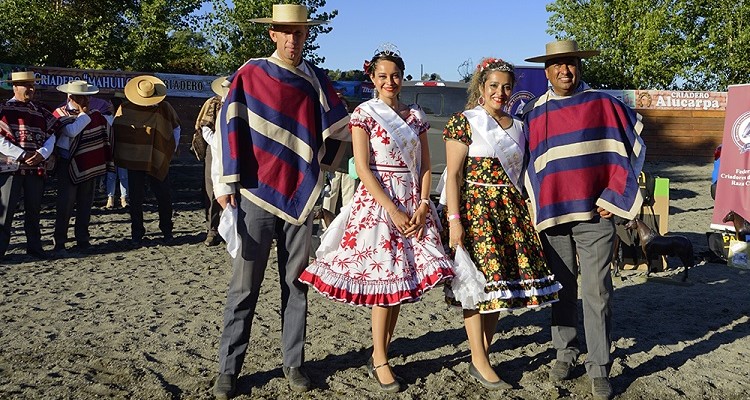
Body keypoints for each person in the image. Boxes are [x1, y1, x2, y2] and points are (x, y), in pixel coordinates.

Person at [211, 4, 350, 398]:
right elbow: (230, 126)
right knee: (244, 287)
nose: (293, 39)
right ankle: (228, 369)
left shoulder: (317, 81)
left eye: (300, 32)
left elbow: (339, 127)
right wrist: (228, 186)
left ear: (307, 35)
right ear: (272, 33)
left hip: (301, 195)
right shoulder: (250, 73)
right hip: (256, 191)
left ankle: (293, 363)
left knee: (296, 285)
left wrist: (321, 170)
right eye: (286, 32)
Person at [299, 45, 454, 393]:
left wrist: (422, 206)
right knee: (385, 283)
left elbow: (426, 165)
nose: (390, 81)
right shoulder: (364, 114)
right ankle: (381, 358)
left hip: (412, 200)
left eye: (395, 75)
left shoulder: (415, 115)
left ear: (403, 77)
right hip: (380, 203)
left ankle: (379, 352)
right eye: (382, 76)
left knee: (399, 286)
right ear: (372, 78)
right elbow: (364, 168)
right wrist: (394, 210)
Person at [522, 40, 646, 400]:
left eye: (571, 63)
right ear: (546, 71)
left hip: (595, 213)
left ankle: (600, 367)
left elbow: (633, 149)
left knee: (597, 291)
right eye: (558, 64)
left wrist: (617, 197)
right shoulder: (533, 113)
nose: (565, 70)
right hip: (553, 214)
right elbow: (524, 165)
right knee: (561, 288)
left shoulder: (604, 104)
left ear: (580, 66)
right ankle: (565, 352)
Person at [441, 57, 561, 390]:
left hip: (510, 214)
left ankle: (483, 355)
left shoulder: (520, 127)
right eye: (494, 85)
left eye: (506, 86)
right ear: (481, 87)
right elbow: (452, 175)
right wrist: (454, 220)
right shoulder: (464, 122)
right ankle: (479, 361)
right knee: (475, 288)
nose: (500, 92)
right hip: (476, 213)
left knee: (499, 290)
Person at [0, 71, 87, 259]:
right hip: (10, 168)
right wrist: (23, 154)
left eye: (32, 85)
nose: (30, 89)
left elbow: (52, 136)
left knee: (34, 211)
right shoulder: (4, 110)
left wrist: (41, 154)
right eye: (26, 85)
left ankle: (35, 248)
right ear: (14, 87)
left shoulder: (41, 111)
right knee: (5, 213)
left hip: (36, 168)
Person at [112, 75, 180, 245]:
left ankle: (167, 229)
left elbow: (176, 127)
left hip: (158, 158)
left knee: (164, 196)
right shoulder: (126, 108)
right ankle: (137, 232)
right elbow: (118, 130)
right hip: (135, 159)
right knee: (135, 198)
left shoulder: (165, 108)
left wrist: (169, 151)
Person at [51, 80, 113, 252]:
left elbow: (105, 131)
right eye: (82, 97)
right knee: (66, 203)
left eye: (87, 97)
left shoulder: (95, 114)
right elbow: (71, 131)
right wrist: (84, 115)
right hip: (67, 163)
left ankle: (82, 239)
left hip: (89, 164)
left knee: (86, 204)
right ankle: (60, 240)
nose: (86, 101)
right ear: (71, 97)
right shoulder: (59, 113)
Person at [192, 76, 227, 247]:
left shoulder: (244, 102)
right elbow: (205, 127)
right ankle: (212, 229)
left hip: (238, 151)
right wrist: (219, 144)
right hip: (215, 150)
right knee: (212, 189)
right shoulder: (213, 103)